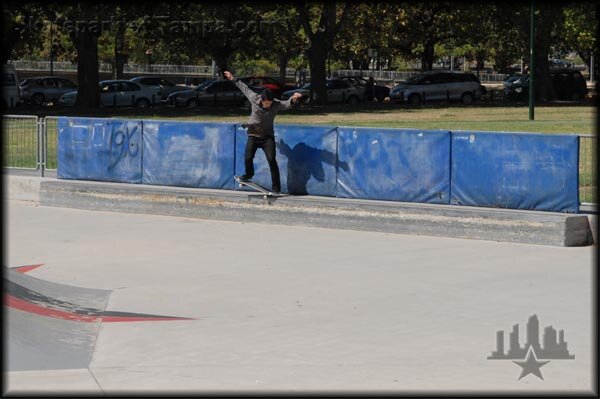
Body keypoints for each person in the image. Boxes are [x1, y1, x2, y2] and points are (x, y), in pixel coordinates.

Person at [224, 70, 302, 194]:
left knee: (272, 160)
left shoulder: (275, 104)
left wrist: (294, 98)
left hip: (267, 137)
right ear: (262, 100)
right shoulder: (254, 98)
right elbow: (244, 87)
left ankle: (276, 188)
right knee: (248, 157)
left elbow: (287, 104)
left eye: (270, 103)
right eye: (266, 103)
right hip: (253, 135)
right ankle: (249, 174)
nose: (268, 106)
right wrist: (232, 78)